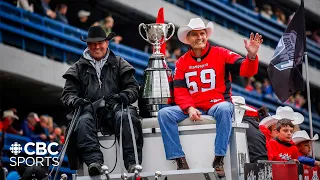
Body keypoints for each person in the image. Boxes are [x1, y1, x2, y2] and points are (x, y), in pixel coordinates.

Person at [157, 17, 263, 177]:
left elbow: (246, 71)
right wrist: (189, 107)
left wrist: (252, 57)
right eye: (195, 34)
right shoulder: (181, 62)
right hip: (193, 106)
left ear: (207, 36)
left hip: (217, 104)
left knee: (225, 107)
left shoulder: (221, 53)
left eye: (202, 33)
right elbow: (180, 90)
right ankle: (179, 159)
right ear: (188, 39)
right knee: (164, 114)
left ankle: (219, 157)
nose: (199, 37)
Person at [61, 26, 143, 176]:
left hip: (115, 108)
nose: (97, 46)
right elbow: (67, 95)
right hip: (89, 111)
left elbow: (133, 88)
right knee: (83, 120)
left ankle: (132, 162)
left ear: (107, 43)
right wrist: (76, 101)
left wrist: (124, 96)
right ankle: (94, 163)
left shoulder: (119, 63)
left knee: (125, 115)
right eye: (92, 43)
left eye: (100, 42)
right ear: (87, 45)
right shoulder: (77, 68)